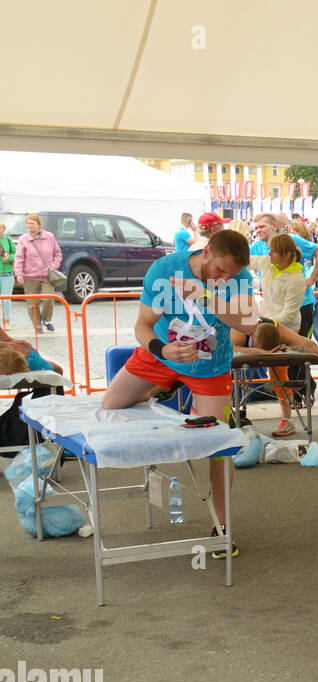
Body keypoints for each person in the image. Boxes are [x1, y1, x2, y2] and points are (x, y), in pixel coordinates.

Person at [99, 230, 256, 554]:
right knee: (111, 403)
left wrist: (206, 293)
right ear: (207, 251)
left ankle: (221, 526)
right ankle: (162, 385)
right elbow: (142, 324)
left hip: (209, 366)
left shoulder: (238, 277)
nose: (224, 277)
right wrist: (162, 349)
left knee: (218, 444)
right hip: (162, 355)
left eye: (230, 274)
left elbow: (250, 324)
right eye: (219, 270)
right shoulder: (165, 269)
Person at [232, 317, 318, 437]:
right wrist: (257, 352)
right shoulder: (239, 331)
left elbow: (316, 348)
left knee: (279, 366)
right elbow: (227, 350)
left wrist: (288, 349)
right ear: (253, 339)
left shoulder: (280, 330)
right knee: (223, 370)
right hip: (235, 347)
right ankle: (228, 416)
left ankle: (287, 421)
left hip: (275, 349)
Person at [250, 213, 318, 344]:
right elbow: (240, 262)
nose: (258, 230)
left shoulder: (290, 239)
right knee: (276, 353)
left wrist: (311, 279)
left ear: (274, 226)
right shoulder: (257, 246)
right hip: (274, 309)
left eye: (262, 226)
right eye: (256, 227)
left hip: (300, 304)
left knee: (298, 353)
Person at [13, 214, 63, 334]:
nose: (30, 226)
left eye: (32, 224)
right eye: (28, 224)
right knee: (32, 303)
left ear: (39, 224)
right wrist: (18, 273)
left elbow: (58, 254)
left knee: (48, 299)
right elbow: (19, 257)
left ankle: (46, 319)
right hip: (30, 276)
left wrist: (53, 266)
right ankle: (37, 325)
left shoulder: (49, 237)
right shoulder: (23, 239)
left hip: (47, 275)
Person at [0, 220, 16, 328]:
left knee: (6, 299)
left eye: (0, 228)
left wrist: (9, 257)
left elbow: (15, 253)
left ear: (4, 229)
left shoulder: (8, 240)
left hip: (7, 274)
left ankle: (6, 321)